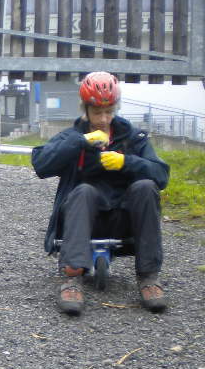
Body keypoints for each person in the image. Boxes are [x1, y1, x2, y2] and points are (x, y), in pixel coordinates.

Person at [32, 71, 169, 316]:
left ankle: (149, 277)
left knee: (146, 186)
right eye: (96, 113)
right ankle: (72, 278)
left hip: (125, 221)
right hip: (84, 219)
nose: (103, 119)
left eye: (109, 112)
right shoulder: (73, 137)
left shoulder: (133, 138)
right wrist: (80, 142)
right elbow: (41, 165)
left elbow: (161, 176)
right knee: (83, 190)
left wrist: (127, 162)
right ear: (85, 110)